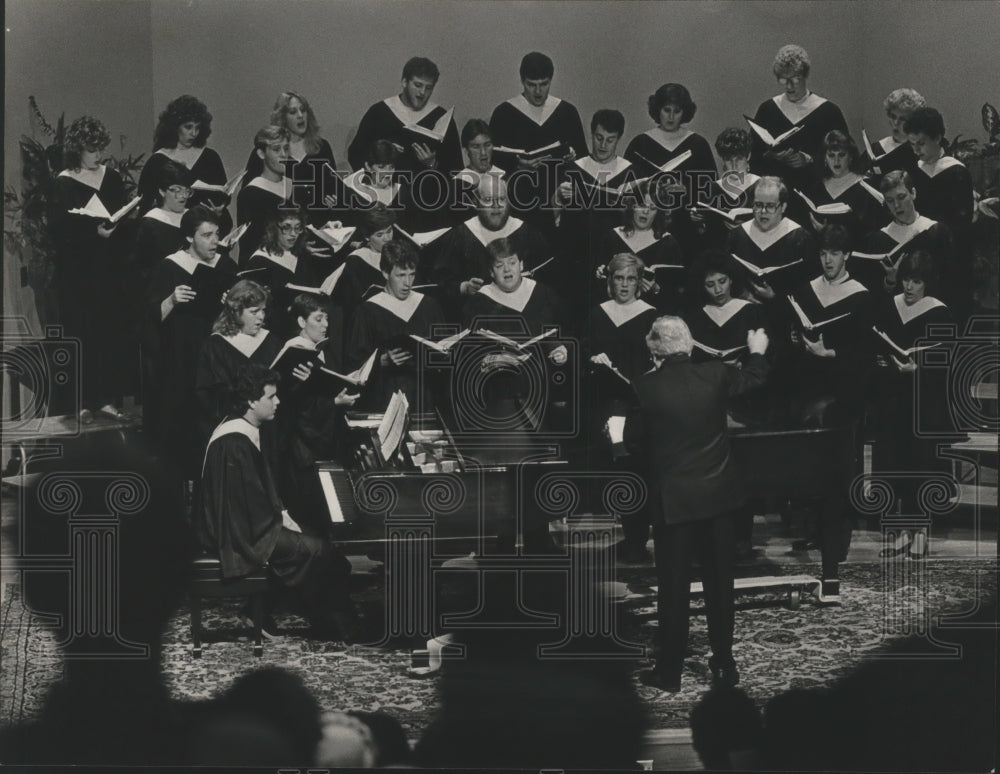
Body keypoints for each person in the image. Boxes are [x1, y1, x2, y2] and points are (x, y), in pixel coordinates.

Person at [613, 316, 770, 692]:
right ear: (690, 344)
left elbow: (632, 441)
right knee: (720, 585)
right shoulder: (715, 374)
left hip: (674, 505)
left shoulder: (644, 387)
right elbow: (755, 379)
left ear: (654, 351)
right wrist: (757, 351)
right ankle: (724, 664)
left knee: (674, 589)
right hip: (718, 500)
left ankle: (669, 672)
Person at [197, 363, 358, 640]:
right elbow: (240, 507)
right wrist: (280, 519)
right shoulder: (233, 442)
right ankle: (342, 628)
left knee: (319, 542)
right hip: (236, 533)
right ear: (250, 401)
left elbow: (254, 494)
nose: (278, 402)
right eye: (271, 397)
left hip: (249, 523)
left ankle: (288, 614)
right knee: (318, 550)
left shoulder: (245, 427)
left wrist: (282, 514)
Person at [48, 115, 135, 423]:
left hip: (108, 271)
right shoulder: (64, 181)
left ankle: (108, 399)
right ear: (77, 149)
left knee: (109, 335)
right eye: (91, 148)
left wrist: (114, 229)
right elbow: (59, 231)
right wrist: (91, 233)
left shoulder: (110, 178)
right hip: (78, 275)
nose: (97, 154)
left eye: (100, 147)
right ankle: (83, 402)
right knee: (82, 335)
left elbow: (123, 218)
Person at [871, 250, 954, 559]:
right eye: (906, 279)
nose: (909, 287)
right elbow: (877, 345)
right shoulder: (889, 307)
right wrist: (883, 360)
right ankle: (900, 531)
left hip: (923, 402)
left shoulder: (939, 312)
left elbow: (945, 359)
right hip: (892, 397)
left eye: (916, 281)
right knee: (894, 463)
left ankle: (921, 532)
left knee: (920, 465)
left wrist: (918, 369)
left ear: (926, 283)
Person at [144, 206, 236, 479]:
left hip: (218, 349)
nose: (214, 241)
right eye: (206, 235)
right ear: (188, 238)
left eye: (217, 234)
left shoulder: (226, 265)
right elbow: (151, 317)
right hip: (181, 354)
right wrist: (172, 300)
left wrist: (229, 303)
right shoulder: (170, 267)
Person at [581, 253, 659, 561]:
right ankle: (630, 537)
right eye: (618, 278)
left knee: (636, 470)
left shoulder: (652, 316)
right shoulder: (596, 315)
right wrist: (592, 359)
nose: (624, 285)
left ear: (639, 283)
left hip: (640, 405)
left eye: (630, 279)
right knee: (617, 470)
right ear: (609, 281)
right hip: (605, 402)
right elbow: (584, 350)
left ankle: (638, 539)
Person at [273, 293, 358, 536]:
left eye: (327, 319)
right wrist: (334, 401)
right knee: (309, 513)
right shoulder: (295, 351)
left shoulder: (320, 349)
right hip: (301, 447)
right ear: (301, 322)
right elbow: (296, 408)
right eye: (318, 319)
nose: (325, 325)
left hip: (319, 438)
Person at [488, 52, 588, 234]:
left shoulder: (567, 112)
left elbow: (584, 163)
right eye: (531, 85)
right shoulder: (504, 114)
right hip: (520, 200)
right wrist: (518, 166)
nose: (538, 92)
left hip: (560, 203)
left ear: (551, 80)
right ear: (522, 81)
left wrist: (573, 157)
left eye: (544, 84)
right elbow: (492, 164)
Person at [552, 109, 635, 321]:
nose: (603, 145)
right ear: (591, 135)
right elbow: (555, 216)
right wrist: (559, 197)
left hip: (613, 257)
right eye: (598, 138)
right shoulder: (573, 168)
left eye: (610, 139)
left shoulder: (630, 173)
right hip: (576, 259)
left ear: (619, 139)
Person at [346, 239, 446, 411]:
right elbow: (353, 367)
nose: (408, 283)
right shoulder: (367, 311)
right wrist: (382, 361)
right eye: (401, 275)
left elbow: (444, 352)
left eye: (412, 274)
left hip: (424, 399)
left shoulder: (429, 306)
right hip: (384, 400)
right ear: (385, 273)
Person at [433, 175, 550, 320]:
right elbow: (440, 281)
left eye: (501, 199)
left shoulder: (528, 233)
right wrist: (463, 287)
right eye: (488, 200)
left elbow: (547, 283)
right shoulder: (461, 235)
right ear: (476, 203)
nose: (496, 206)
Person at [195, 279, 287, 454]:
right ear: (236, 312)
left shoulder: (272, 341)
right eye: (254, 311)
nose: (261, 316)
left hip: (271, 434)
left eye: (263, 310)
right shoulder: (216, 345)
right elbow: (207, 397)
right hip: (234, 435)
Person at [903, 107, 975, 320]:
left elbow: (960, 225)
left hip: (948, 255)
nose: (916, 150)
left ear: (938, 138)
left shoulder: (956, 172)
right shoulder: (914, 169)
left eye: (921, 143)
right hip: (918, 249)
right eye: (912, 144)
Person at [748, 44, 849, 191]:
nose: (789, 86)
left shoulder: (828, 112)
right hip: (775, 192)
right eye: (783, 80)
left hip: (816, 190)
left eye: (795, 79)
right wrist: (772, 155)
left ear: (805, 75)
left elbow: (845, 157)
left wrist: (809, 159)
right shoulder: (767, 110)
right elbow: (754, 158)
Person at [348, 56, 463, 176]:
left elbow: (456, 169)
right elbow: (355, 155)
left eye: (428, 88)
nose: (422, 93)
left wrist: (432, 164)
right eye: (418, 85)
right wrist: (384, 152)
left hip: (427, 191)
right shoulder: (379, 112)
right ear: (404, 82)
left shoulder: (441, 117)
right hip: (386, 191)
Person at [137, 95, 233, 234]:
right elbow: (146, 204)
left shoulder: (210, 157)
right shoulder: (157, 161)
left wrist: (219, 210)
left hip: (207, 229)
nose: (193, 133)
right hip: (169, 231)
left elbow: (222, 195)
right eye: (188, 127)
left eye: (198, 128)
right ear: (175, 127)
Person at [241, 91, 338, 224]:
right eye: (293, 112)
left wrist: (333, 199)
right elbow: (250, 196)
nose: (300, 116)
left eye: (303, 110)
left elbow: (334, 187)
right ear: (283, 117)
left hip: (320, 223)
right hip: (281, 227)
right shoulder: (266, 152)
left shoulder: (321, 147)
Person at [852, 170, 953, 294]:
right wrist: (890, 281)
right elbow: (875, 292)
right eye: (889, 200)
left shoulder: (937, 231)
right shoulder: (878, 240)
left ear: (913, 193)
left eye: (901, 197)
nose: (896, 205)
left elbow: (950, 279)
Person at [598, 178, 686, 313]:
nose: (646, 212)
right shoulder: (612, 237)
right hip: (615, 310)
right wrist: (600, 274)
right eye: (642, 205)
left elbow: (676, 293)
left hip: (651, 313)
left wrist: (656, 289)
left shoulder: (668, 243)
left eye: (653, 208)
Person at [727, 176, 816, 301]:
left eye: (770, 206)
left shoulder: (800, 238)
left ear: (783, 207)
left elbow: (808, 285)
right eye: (758, 205)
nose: (763, 211)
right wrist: (742, 293)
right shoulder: (737, 235)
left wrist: (775, 297)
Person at [244, 209, 329, 338]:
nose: (293, 234)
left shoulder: (303, 256)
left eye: (298, 228)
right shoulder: (259, 261)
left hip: (307, 327)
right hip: (275, 330)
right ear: (274, 229)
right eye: (286, 228)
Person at [623, 82, 717, 197]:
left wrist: (687, 190)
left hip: (685, 212)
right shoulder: (639, 144)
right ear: (658, 110)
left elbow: (712, 191)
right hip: (647, 212)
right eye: (667, 110)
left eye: (677, 111)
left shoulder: (698, 144)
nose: (671, 117)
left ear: (684, 113)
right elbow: (625, 189)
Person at [678, 127, 760, 258]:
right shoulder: (712, 188)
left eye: (739, 159)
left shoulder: (762, 187)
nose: (734, 166)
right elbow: (704, 234)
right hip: (719, 256)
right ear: (722, 159)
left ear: (748, 156)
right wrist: (698, 220)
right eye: (728, 159)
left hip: (753, 252)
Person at [792, 129, 888, 239]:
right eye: (831, 155)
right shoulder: (817, 186)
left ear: (851, 157)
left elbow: (871, 228)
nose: (836, 161)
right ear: (825, 158)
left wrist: (831, 233)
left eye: (841, 155)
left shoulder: (866, 186)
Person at [236, 126, 292, 260]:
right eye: (276, 149)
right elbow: (251, 243)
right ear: (261, 154)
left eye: (286, 148)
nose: (283, 155)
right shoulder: (250, 195)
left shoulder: (293, 186)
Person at [866, 88, 926, 183]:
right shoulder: (876, 149)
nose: (896, 123)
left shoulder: (922, 151)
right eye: (893, 116)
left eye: (903, 119)